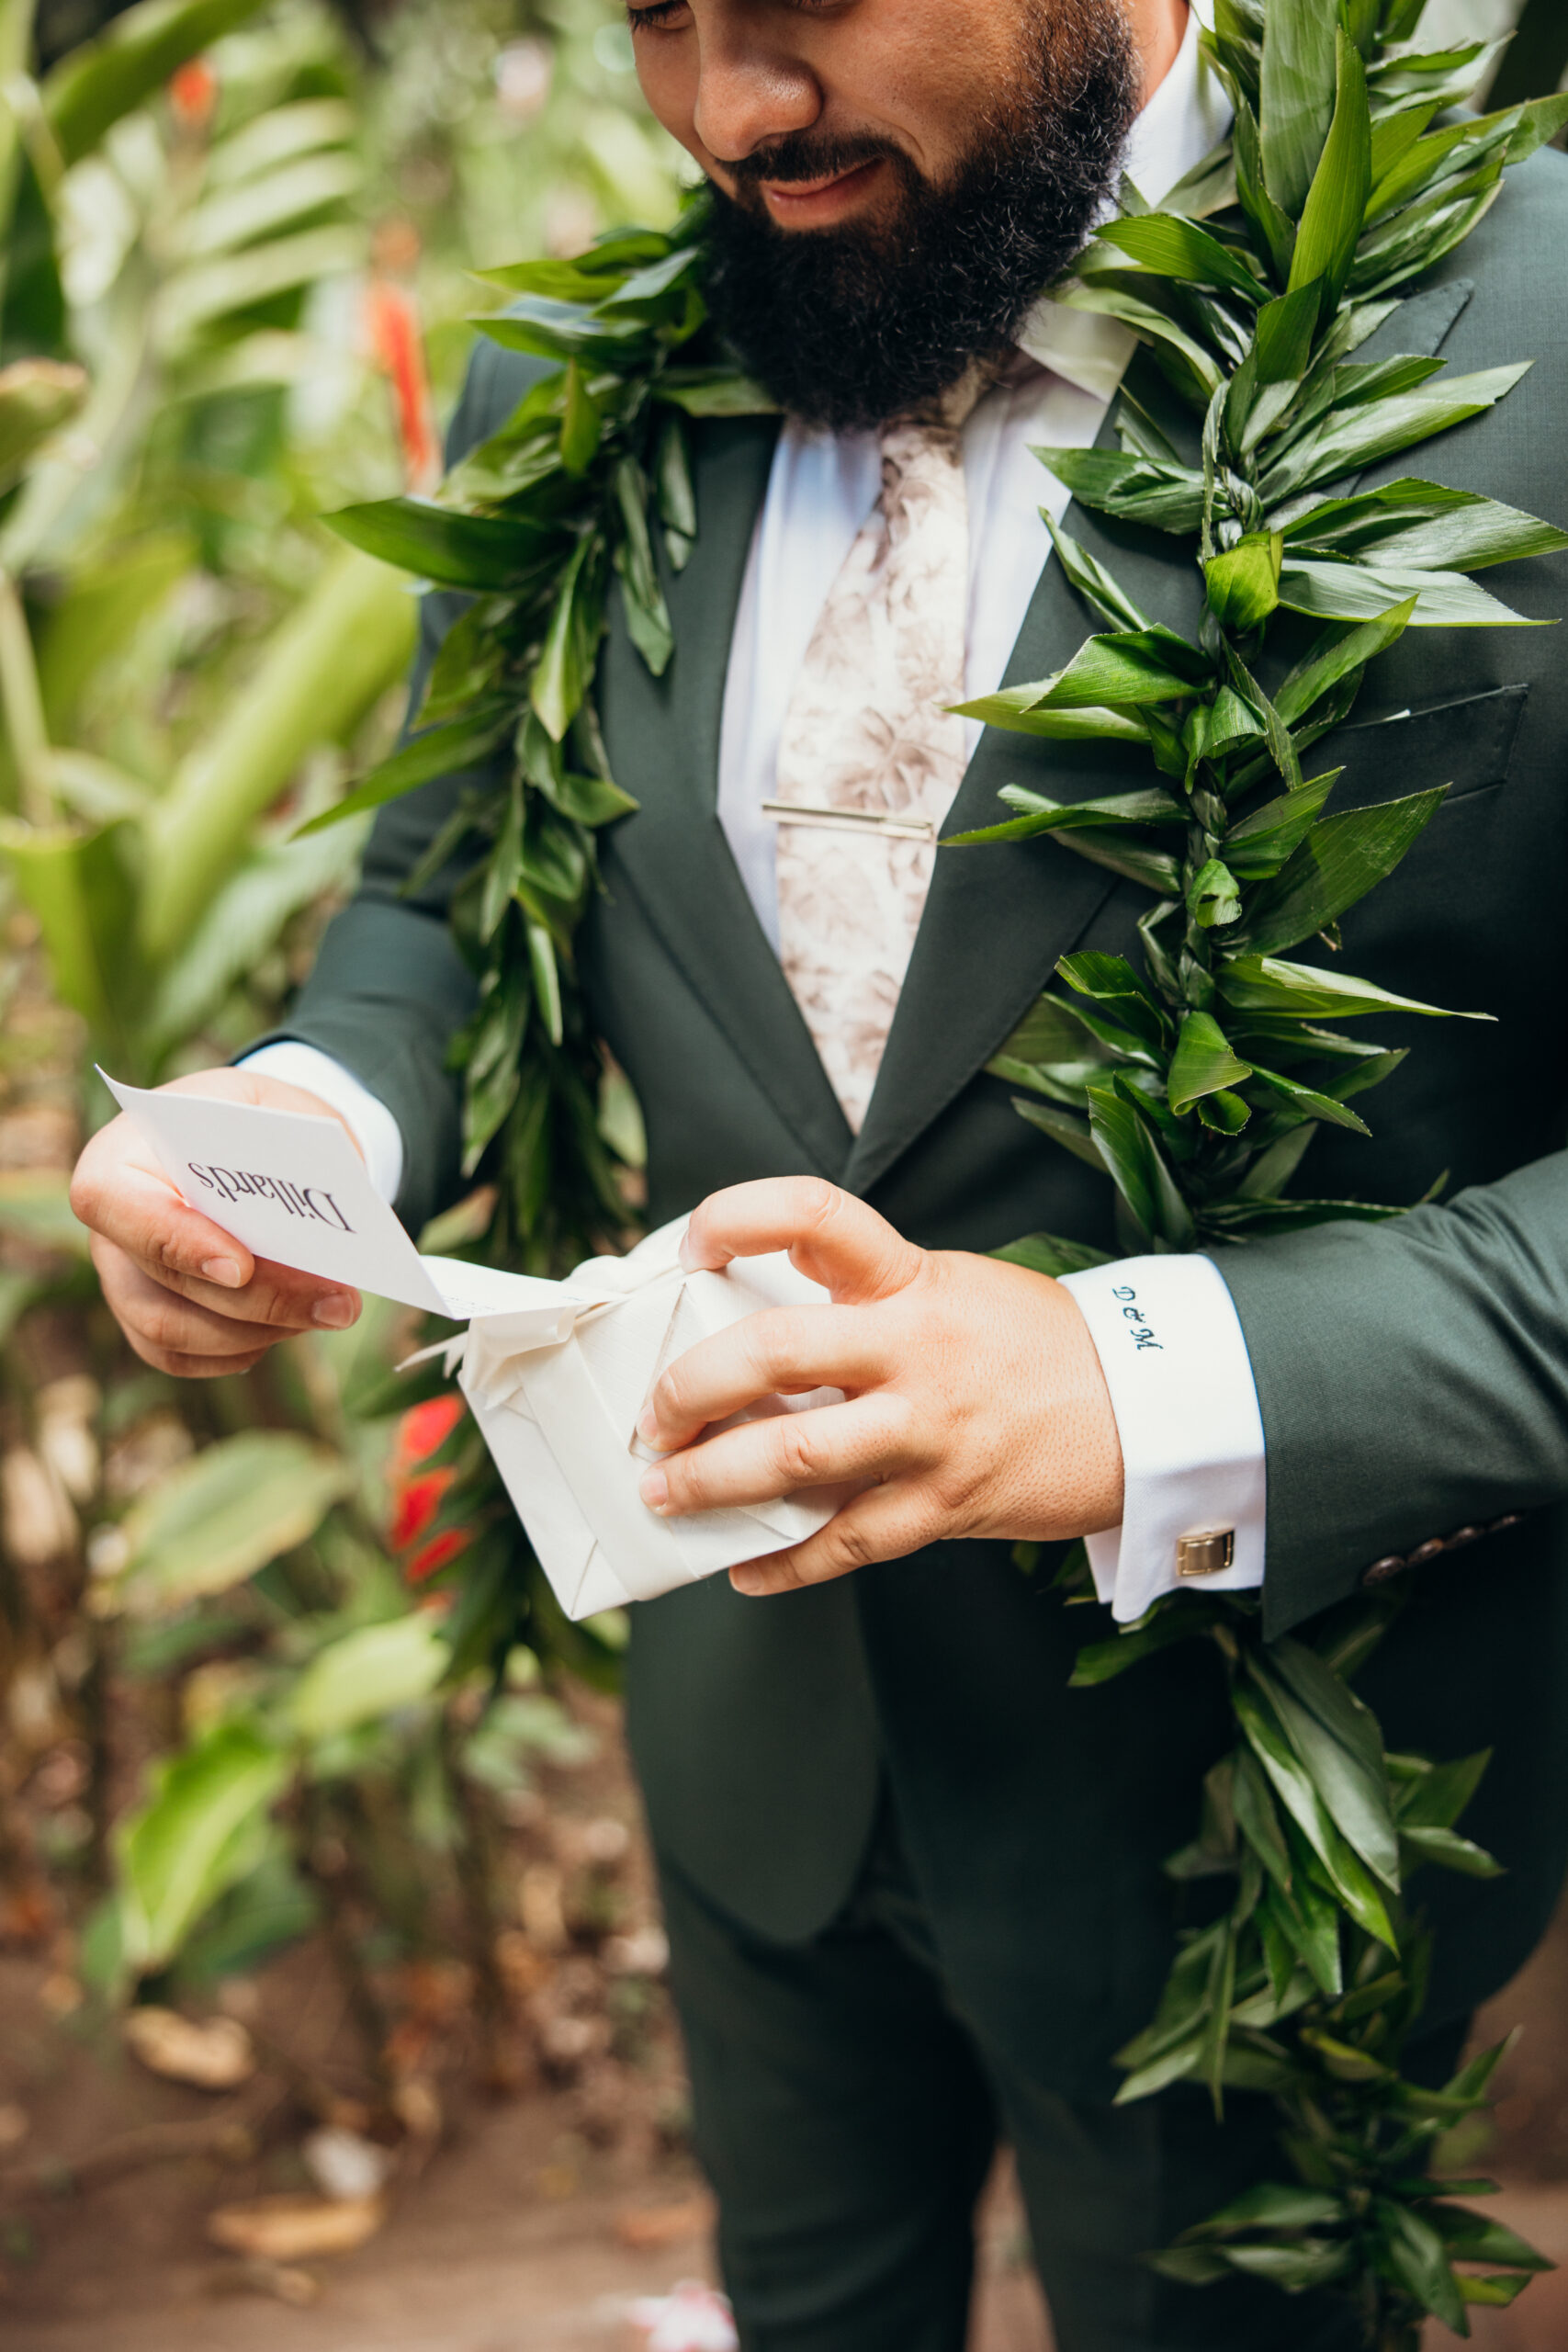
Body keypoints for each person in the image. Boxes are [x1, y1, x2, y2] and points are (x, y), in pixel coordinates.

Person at [69, 3, 1568, 2345]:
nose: (726, 111)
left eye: (801, 2)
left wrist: (1133, 1363)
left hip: (1253, 1825)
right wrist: (308, 1124)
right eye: (657, 17)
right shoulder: (584, 389)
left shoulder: (1538, 339)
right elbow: (448, 895)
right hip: (752, 1741)